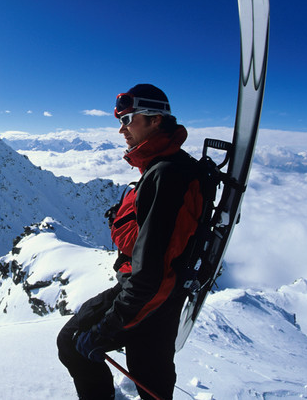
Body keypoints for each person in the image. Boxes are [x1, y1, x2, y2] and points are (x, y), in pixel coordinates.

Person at [57, 84, 203, 400]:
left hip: (149, 299)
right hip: (159, 298)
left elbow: (153, 275)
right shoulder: (168, 166)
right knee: (152, 380)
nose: (121, 129)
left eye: (127, 119)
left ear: (153, 119)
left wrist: (107, 328)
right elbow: (162, 238)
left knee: (74, 343)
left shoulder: (166, 176)